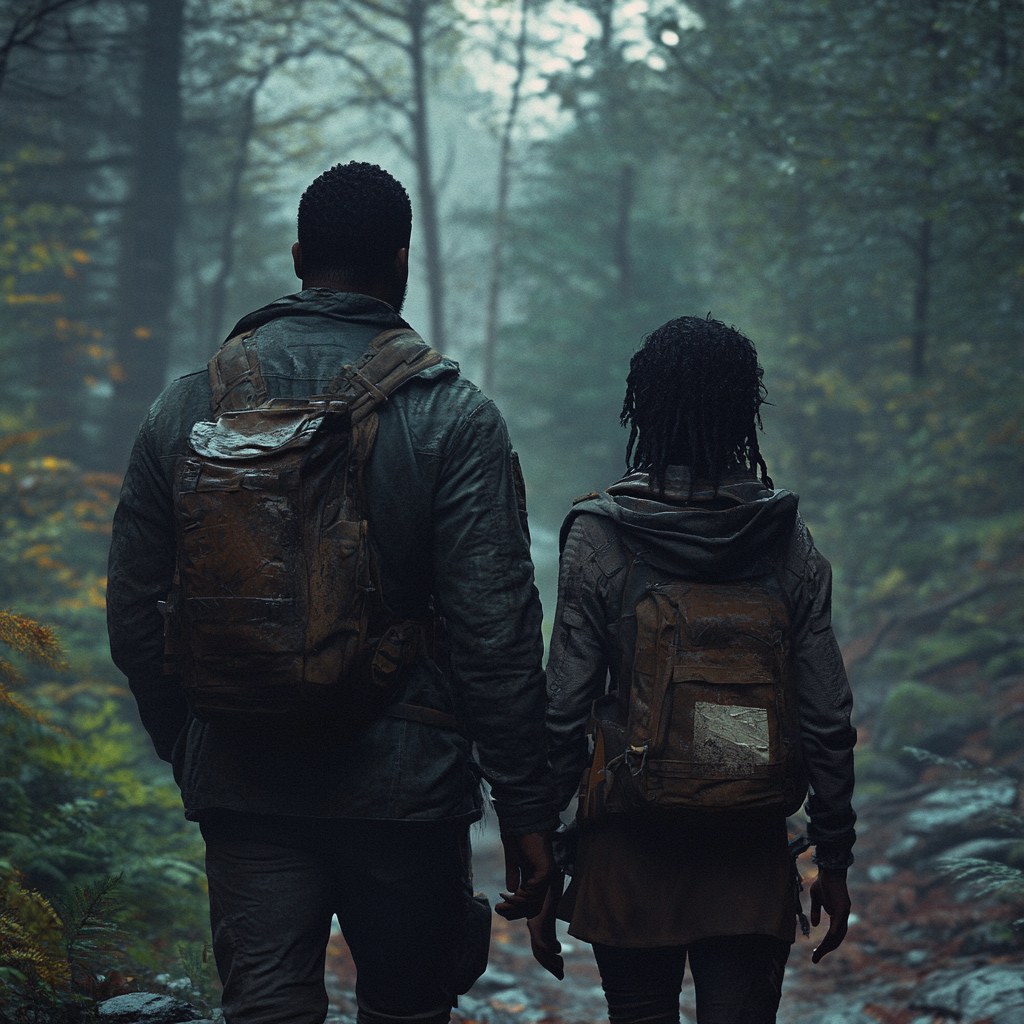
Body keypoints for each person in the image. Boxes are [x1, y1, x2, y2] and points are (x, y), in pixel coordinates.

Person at [107, 161, 558, 1024]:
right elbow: (494, 630)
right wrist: (530, 810)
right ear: (401, 260)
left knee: (268, 1006)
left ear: (299, 256)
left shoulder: (187, 405)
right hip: (405, 785)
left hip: (244, 775)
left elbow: (133, 610)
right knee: (406, 1006)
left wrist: (192, 741)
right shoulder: (453, 416)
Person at [530, 315, 856, 1024]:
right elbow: (826, 714)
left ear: (641, 408)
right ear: (745, 411)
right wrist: (834, 854)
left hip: (628, 847)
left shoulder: (600, 535)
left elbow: (563, 711)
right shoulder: (784, 539)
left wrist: (543, 847)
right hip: (747, 850)